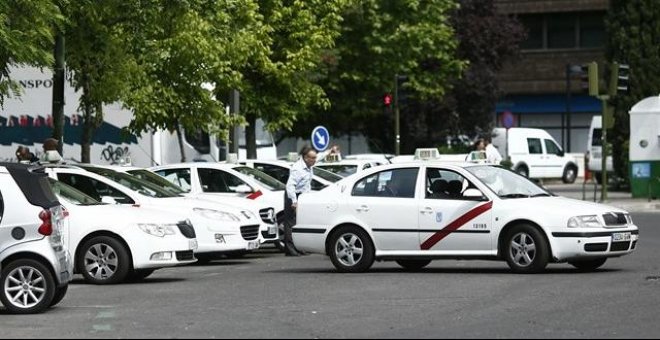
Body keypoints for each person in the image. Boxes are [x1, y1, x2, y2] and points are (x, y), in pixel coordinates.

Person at [283, 146, 317, 256]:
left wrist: (330, 152)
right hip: (293, 195)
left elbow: (320, 157)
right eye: (313, 158)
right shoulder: (297, 168)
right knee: (290, 223)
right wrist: (294, 201)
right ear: (306, 158)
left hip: (302, 196)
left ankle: (299, 247)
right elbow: (290, 186)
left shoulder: (309, 165)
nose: (315, 160)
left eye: (315, 158)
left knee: (299, 222)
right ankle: (290, 249)